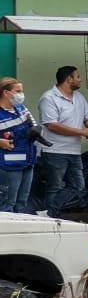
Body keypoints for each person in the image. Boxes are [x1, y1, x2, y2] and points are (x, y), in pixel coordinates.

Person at [37, 65, 88, 218]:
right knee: (55, 186)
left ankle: (49, 213)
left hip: (73, 150)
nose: (80, 80)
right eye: (78, 77)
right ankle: (52, 217)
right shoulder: (49, 98)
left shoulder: (79, 97)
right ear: (68, 79)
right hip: (54, 150)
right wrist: (82, 132)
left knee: (79, 187)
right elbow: (52, 125)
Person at [0, 77, 39, 214]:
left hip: (27, 162)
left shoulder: (22, 109)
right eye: (18, 91)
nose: (21, 94)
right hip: (8, 165)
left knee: (22, 202)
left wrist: (35, 131)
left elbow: (34, 126)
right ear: (6, 93)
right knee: (7, 203)